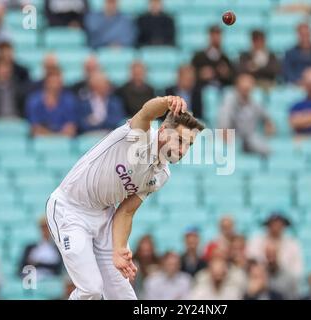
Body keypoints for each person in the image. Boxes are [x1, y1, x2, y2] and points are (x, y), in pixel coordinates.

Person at [45, 95, 204, 299]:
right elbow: (147, 111)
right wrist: (167, 102)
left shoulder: (161, 174)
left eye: (188, 145)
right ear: (163, 130)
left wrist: (119, 249)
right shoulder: (140, 136)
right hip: (70, 209)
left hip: (104, 216)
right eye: (180, 140)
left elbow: (127, 210)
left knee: (123, 295)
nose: (182, 150)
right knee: (91, 289)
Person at [218, 73, 275, 157]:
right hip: (234, 139)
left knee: (264, 147)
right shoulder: (229, 102)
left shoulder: (255, 103)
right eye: (243, 87)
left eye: (248, 87)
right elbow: (223, 127)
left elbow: (268, 120)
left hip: (250, 138)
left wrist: (268, 126)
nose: (246, 89)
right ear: (237, 87)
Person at [246, 212, 304, 280]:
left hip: (285, 282)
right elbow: (251, 261)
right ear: (268, 225)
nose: (276, 226)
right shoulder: (256, 240)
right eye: (273, 223)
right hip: (260, 280)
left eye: (279, 224)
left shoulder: (292, 244)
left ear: (284, 226)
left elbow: (297, 270)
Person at [25, 69, 78, 137]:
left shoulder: (70, 100)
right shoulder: (34, 101)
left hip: (63, 140)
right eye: (53, 82)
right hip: (41, 140)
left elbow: (71, 128)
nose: (55, 85)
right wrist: (52, 136)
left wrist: (57, 137)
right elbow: (35, 128)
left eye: (58, 82)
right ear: (46, 83)